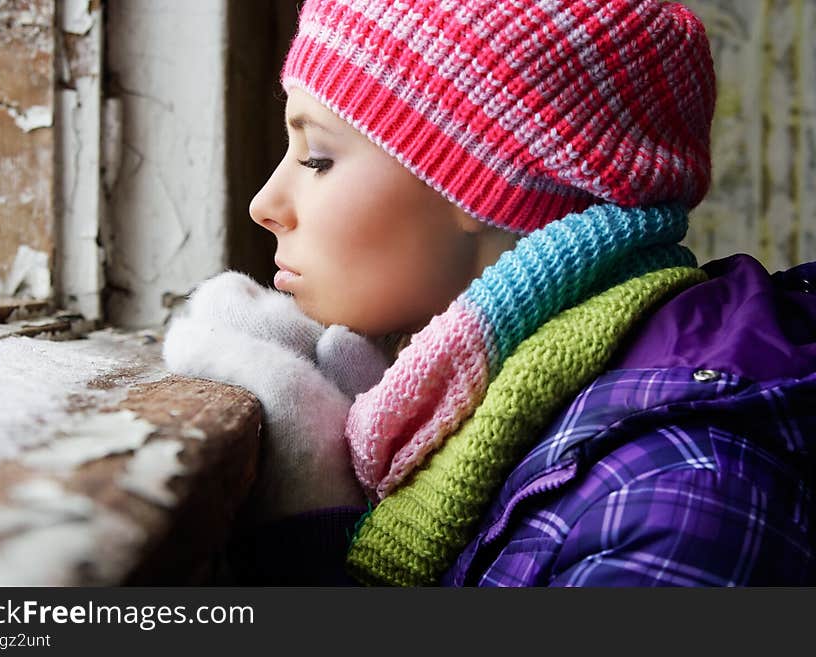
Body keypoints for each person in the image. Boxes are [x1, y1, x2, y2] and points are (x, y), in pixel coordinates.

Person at [163, 0, 816, 586]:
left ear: (482, 180)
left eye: (317, 157)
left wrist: (307, 539)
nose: (264, 204)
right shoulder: (461, 411)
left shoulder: (672, 499)